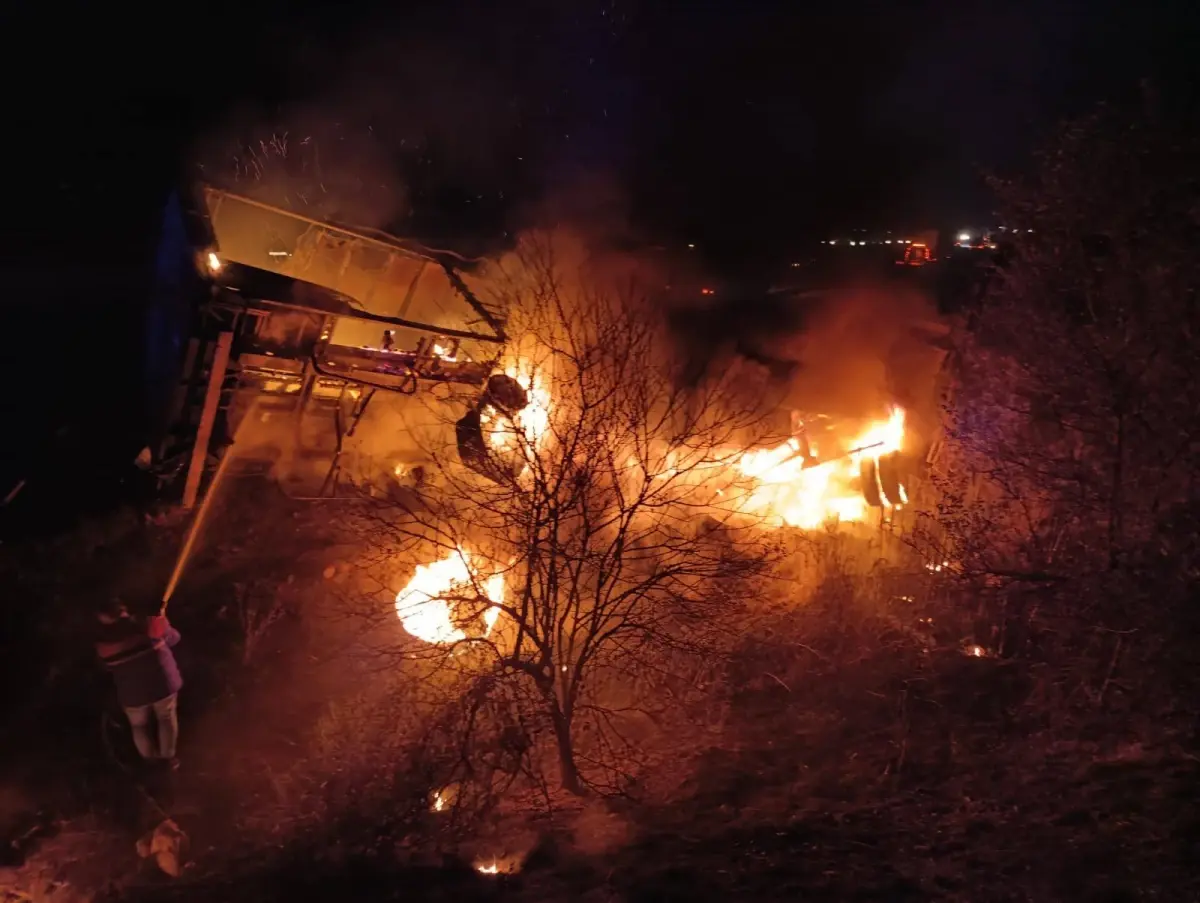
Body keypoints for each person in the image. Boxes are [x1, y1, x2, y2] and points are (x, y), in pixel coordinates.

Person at [95, 600, 183, 769]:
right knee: (165, 717)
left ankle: (150, 763)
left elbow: (106, 666)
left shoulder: (102, 644)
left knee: (138, 725)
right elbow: (174, 638)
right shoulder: (148, 624)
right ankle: (168, 760)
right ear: (123, 609)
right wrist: (162, 622)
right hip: (162, 683)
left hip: (132, 693)